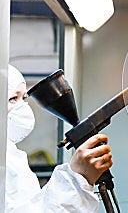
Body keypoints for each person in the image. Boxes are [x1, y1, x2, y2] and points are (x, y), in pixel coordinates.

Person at [5, 64, 113, 212]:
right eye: (12, 98)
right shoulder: (6, 161)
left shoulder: (11, 156)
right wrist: (75, 179)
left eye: (23, 98)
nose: (23, 107)